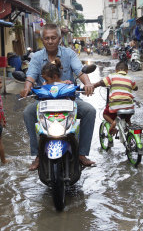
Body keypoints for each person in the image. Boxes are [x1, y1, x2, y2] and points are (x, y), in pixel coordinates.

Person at [21, 23, 96, 171]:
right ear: (43, 39)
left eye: (53, 38)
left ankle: (81, 154)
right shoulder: (36, 57)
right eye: (47, 38)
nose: (50, 41)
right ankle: (37, 155)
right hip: (44, 102)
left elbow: (80, 72)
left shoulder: (69, 54)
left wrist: (88, 84)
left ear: (60, 39)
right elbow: (30, 76)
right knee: (27, 112)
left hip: (69, 100)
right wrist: (26, 88)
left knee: (90, 111)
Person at [93, 60, 137, 135]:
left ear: (116, 70)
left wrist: (93, 86)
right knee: (127, 118)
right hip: (129, 107)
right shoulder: (130, 78)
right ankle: (130, 128)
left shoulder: (112, 76)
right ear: (127, 71)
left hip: (116, 105)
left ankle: (113, 122)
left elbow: (102, 82)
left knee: (105, 114)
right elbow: (135, 88)